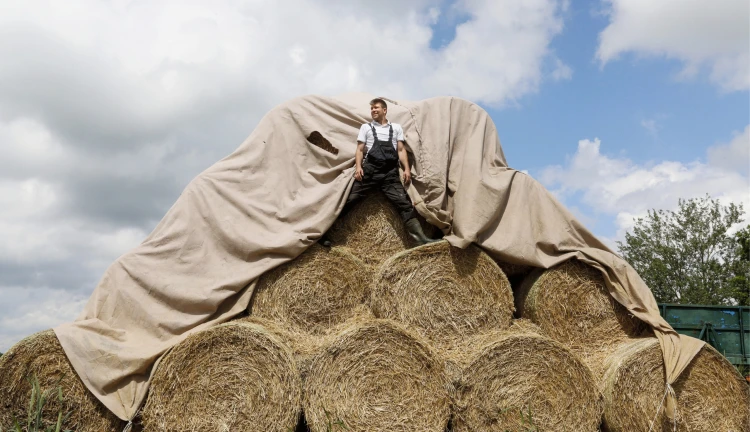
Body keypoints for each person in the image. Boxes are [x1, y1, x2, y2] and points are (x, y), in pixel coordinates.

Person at [321, 98, 438, 247]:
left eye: (376, 108)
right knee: (348, 201)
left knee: (404, 204)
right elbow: (360, 150)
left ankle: (420, 239)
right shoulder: (366, 128)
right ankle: (323, 232)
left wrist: (407, 169)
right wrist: (358, 167)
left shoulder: (396, 128)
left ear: (384, 110)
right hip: (370, 171)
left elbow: (401, 150)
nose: (373, 110)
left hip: (390, 173)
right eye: (371, 109)